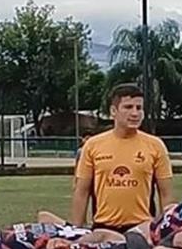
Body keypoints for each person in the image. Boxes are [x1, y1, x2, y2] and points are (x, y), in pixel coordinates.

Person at [72, 84, 174, 232]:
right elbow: (81, 191)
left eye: (139, 108)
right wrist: (77, 231)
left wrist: (166, 230)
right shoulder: (93, 145)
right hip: (104, 228)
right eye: (128, 107)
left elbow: (166, 194)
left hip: (142, 228)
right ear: (113, 111)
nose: (135, 113)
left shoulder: (155, 145)